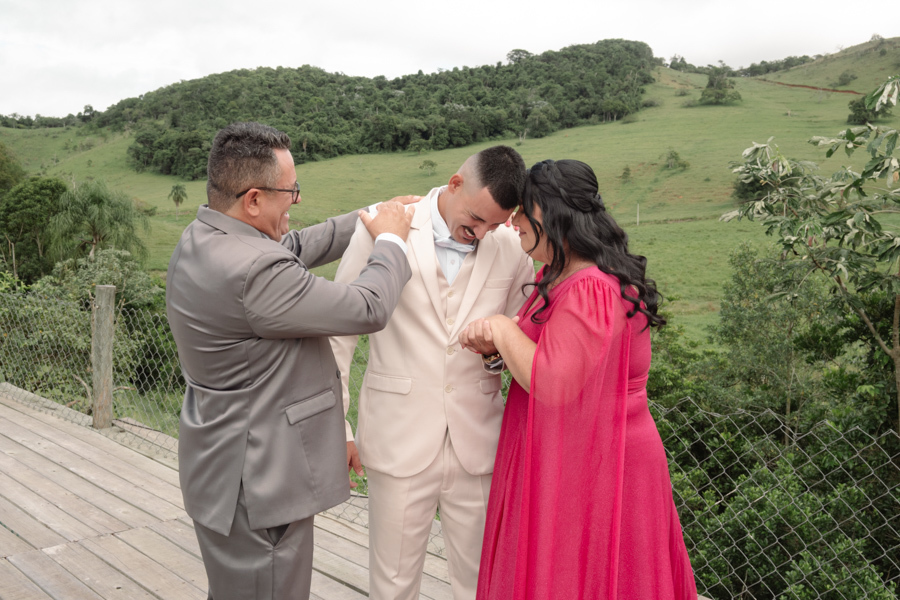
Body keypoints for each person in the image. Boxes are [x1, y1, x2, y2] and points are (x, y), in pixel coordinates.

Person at [166, 121, 416, 600]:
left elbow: (293, 248)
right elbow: (367, 307)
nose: (296, 202)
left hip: (220, 467)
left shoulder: (204, 237)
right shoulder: (255, 270)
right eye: (291, 192)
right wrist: (392, 244)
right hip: (262, 480)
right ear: (254, 199)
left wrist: (373, 216)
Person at [459, 159, 697, 600]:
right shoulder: (560, 274)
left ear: (546, 214)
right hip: (578, 454)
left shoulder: (590, 286)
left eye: (520, 211)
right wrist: (500, 349)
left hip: (603, 465)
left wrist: (501, 328)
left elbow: (554, 383)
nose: (513, 222)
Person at [329, 146, 534, 600]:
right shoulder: (384, 226)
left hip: (478, 445)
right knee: (393, 584)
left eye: (495, 224)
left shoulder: (511, 250)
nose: (482, 233)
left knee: (482, 582)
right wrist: (337, 425)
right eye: (477, 218)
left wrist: (493, 354)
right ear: (455, 182)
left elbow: (521, 343)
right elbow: (336, 336)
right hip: (396, 438)